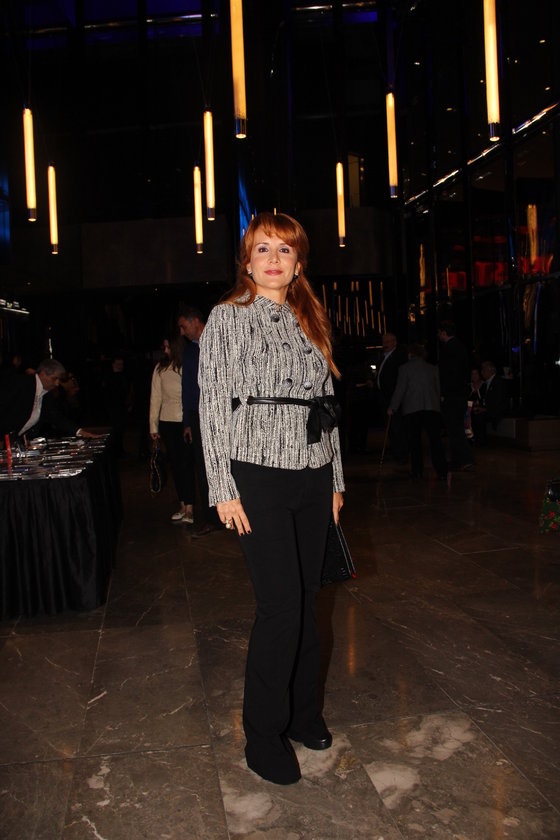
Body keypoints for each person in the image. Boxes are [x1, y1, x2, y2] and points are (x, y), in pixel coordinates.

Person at [198, 211, 345, 786]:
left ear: (299, 263)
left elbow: (326, 404)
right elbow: (212, 404)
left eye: (285, 250)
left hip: (313, 472)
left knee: (308, 601)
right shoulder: (227, 318)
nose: (275, 259)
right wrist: (221, 486)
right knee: (280, 607)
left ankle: (304, 715)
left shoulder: (311, 317)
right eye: (264, 249)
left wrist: (336, 479)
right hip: (256, 474)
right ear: (247, 261)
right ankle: (262, 735)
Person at [177, 307, 221, 537]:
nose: (182, 332)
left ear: (196, 321)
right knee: (204, 468)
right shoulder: (189, 352)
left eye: (184, 326)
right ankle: (212, 518)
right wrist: (187, 422)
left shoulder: (219, 340)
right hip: (198, 415)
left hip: (222, 411)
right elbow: (186, 389)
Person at [149, 334, 195, 524]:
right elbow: (155, 398)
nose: (165, 350)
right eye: (164, 346)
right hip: (167, 421)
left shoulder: (186, 366)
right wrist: (153, 426)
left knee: (186, 465)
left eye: (168, 346)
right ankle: (183, 505)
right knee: (175, 465)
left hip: (184, 422)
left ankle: (190, 508)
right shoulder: (160, 368)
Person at [388, 343, 447, 480]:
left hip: (412, 408)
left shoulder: (404, 368)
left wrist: (393, 406)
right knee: (435, 441)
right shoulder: (432, 368)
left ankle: (417, 471)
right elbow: (438, 389)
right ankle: (442, 470)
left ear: (410, 354)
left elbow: (400, 389)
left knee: (414, 442)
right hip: (431, 408)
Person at [0, 358, 97, 439]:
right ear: (43, 374)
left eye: (59, 380)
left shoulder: (46, 394)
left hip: (16, 441)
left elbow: (56, 417)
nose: (57, 383)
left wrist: (79, 432)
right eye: (54, 379)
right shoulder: (21, 383)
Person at [437, 321, 474, 470]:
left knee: (455, 429)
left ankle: (465, 459)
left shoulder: (447, 349)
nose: (438, 335)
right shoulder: (461, 346)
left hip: (452, 396)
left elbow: (447, 374)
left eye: (439, 332)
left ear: (444, 332)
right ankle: (458, 460)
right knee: (457, 428)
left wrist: (443, 393)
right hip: (460, 394)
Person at [376, 331, 408, 462]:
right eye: (384, 342)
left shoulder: (399, 357)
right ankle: (396, 452)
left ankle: (401, 454)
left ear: (394, 342)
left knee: (397, 426)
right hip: (384, 396)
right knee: (390, 427)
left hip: (394, 397)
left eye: (388, 342)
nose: (385, 344)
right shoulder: (382, 356)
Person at [471, 360, 509, 445]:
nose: (482, 372)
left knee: (479, 416)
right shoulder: (486, 383)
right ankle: (472, 439)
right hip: (489, 408)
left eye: (483, 370)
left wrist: (485, 409)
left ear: (489, 370)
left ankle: (480, 441)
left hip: (497, 410)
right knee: (472, 413)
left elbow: (498, 401)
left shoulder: (498, 382)